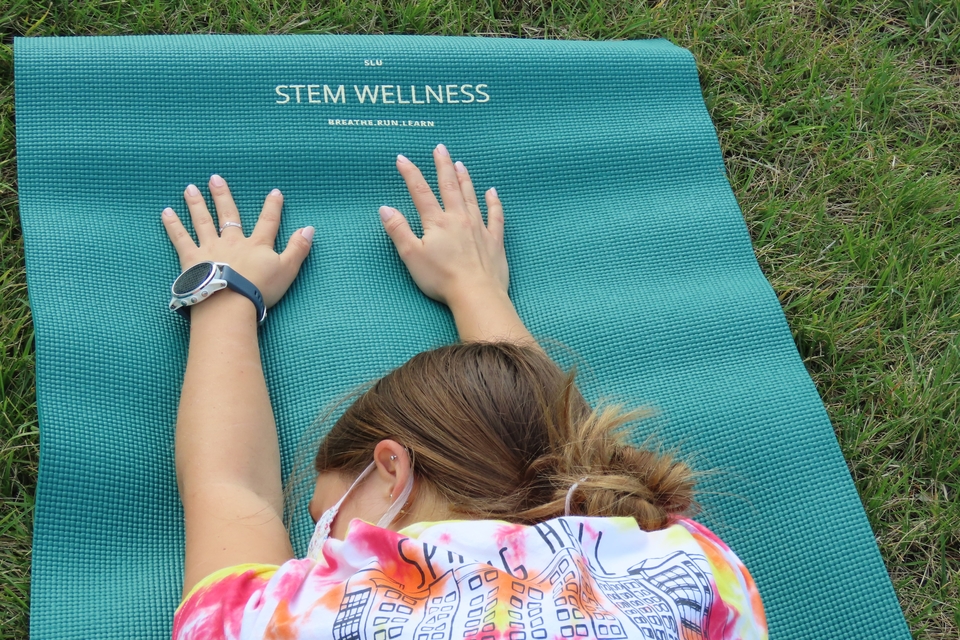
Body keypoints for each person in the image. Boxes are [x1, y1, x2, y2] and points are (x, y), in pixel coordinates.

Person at [161, 144, 768, 639]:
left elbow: (228, 484)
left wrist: (223, 292)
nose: (316, 543)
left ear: (392, 470)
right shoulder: (695, 575)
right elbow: (553, 442)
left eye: (326, 519)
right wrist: (476, 286)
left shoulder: (286, 622)